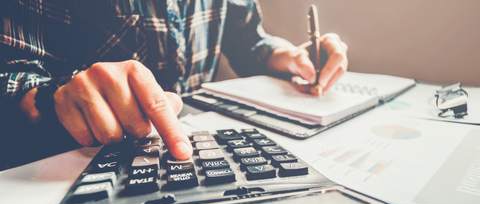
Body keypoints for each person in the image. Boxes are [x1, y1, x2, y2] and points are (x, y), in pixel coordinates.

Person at [0, 0, 347, 169]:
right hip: (75, 162)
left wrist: (288, 55)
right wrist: (52, 96)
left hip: (199, 153)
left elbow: (248, 41)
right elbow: (10, 76)